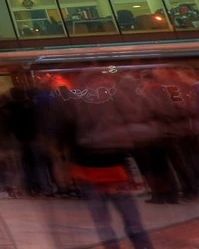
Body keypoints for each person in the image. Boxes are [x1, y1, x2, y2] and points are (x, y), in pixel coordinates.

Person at [56, 70, 154, 249]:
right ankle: (143, 246)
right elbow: (134, 116)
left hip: (87, 166)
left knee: (102, 221)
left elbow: (65, 131)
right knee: (130, 214)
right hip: (114, 164)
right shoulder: (115, 95)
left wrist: (66, 161)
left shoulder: (75, 100)